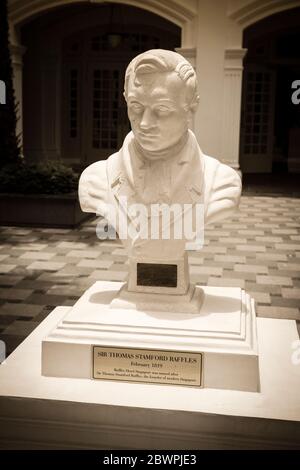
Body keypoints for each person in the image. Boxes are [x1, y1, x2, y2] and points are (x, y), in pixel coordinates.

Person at [79, 49, 241, 262]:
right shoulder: (96, 180)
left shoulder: (221, 184)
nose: (144, 123)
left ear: (191, 107)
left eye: (162, 109)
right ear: (126, 100)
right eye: (135, 107)